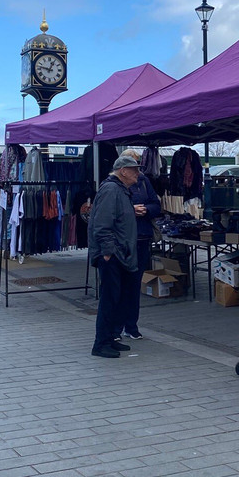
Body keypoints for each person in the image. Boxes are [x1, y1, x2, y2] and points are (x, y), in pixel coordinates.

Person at [87, 155, 141, 358]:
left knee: (118, 298)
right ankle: (101, 344)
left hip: (120, 254)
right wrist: (108, 252)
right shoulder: (111, 189)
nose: (138, 173)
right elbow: (102, 224)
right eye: (134, 169)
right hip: (113, 255)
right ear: (123, 171)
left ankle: (109, 338)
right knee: (109, 299)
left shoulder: (120, 190)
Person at [119, 149, 162, 340]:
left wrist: (146, 209)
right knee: (121, 284)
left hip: (142, 237)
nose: (137, 170)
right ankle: (116, 326)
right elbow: (111, 211)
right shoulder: (114, 185)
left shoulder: (144, 181)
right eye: (133, 165)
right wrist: (131, 210)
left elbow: (156, 204)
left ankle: (131, 325)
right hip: (124, 240)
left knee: (135, 283)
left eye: (137, 164)